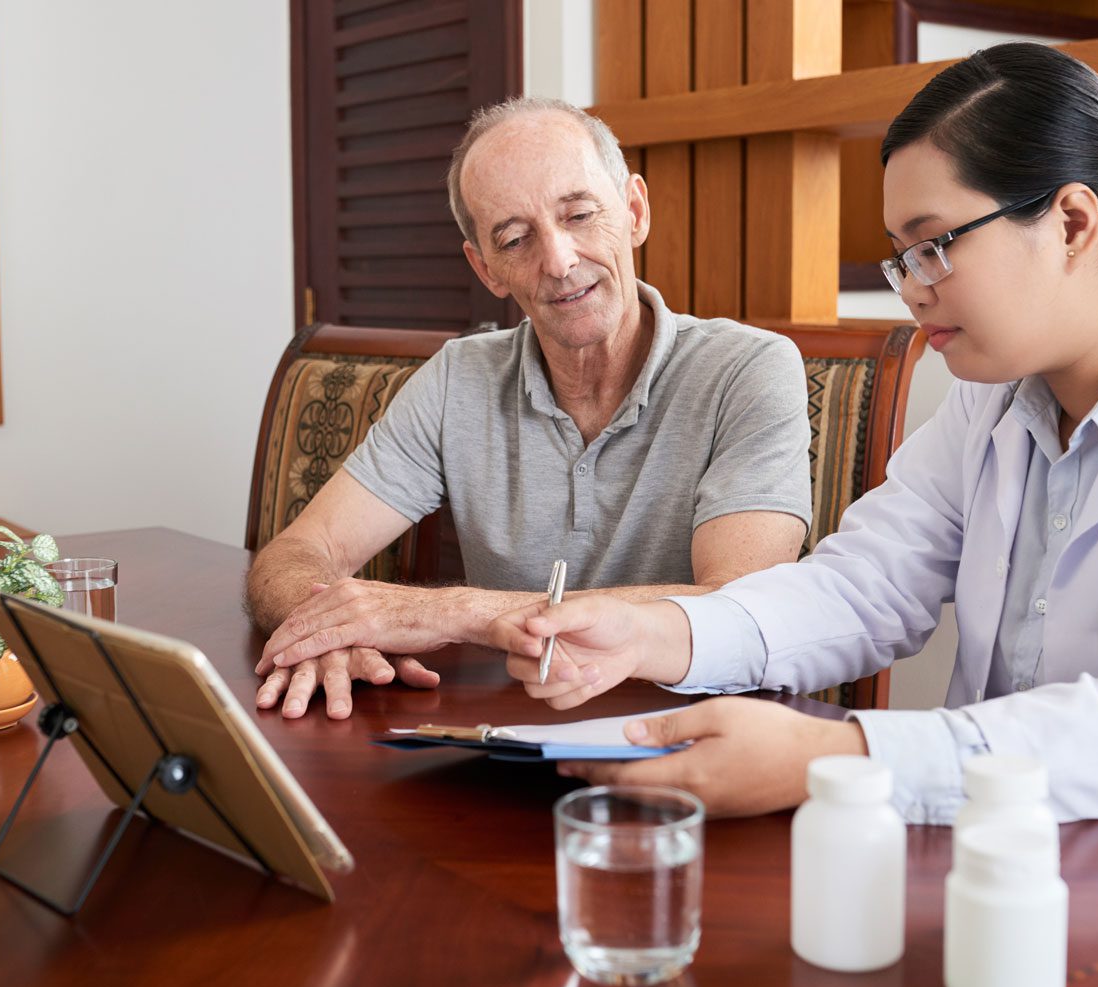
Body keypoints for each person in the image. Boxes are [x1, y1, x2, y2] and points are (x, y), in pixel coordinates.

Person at [488, 43, 1098, 855]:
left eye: (932, 248)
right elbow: (859, 587)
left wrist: (843, 754)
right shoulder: (994, 406)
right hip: (1055, 861)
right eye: (898, 258)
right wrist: (649, 632)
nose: (911, 291)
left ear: (1071, 222)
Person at [246, 97, 814, 720]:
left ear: (634, 211)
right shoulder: (457, 378)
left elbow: (737, 601)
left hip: (693, 732)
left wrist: (452, 612)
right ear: (485, 268)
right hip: (508, 735)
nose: (559, 261)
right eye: (516, 239)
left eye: (579, 215)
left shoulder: (749, 369)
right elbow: (294, 554)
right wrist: (327, 632)